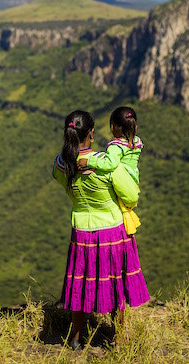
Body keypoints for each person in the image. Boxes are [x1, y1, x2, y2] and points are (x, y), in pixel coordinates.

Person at [52, 110, 151, 351]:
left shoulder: (61, 163)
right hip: (112, 230)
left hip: (81, 231)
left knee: (81, 282)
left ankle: (75, 337)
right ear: (92, 134)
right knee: (116, 282)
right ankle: (119, 336)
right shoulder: (107, 164)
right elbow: (131, 196)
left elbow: (59, 176)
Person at [77, 106, 142, 235]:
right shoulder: (136, 141)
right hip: (134, 179)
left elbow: (109, 164)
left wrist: (89, 161)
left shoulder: (116, 147)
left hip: (123, 182)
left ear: (112, 127)